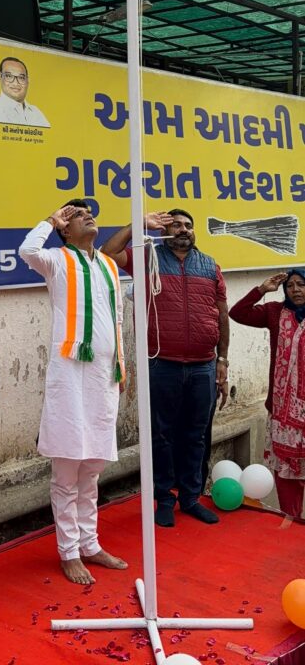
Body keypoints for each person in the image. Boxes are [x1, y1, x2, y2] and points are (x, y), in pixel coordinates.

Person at [19, 199, 128, 585]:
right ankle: (68, 551)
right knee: (67, 470)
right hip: (70, 377)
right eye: (78, 215)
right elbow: (26, 250)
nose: (89, 217)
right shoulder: (56, 260)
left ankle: (90, 543)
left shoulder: (109, 265)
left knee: (92, 471)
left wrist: (121, 364)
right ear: (65, 229)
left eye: (89, 213)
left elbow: (116, 318)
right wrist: (50, 221)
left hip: (103, 378)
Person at [103, 209, 229, 527]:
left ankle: (190, 498)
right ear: (163, 231)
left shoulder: (210, 265)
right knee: (161, 436)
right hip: (161, 364)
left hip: (203, 366)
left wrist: (223, 359)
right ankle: (164, 498)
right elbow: (108, 252)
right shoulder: (147, 258)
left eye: (188, 225)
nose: (183, 229)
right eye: (175, 225)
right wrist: (137, 225)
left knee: (196, 436)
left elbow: (221, 314)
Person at [230, 269, 305, 519]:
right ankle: (290, 523)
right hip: (283, 415)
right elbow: (238, 313)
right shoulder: (275, 312)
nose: (296, 290)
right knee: (286, 474)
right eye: (291, 285)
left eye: (301, 284)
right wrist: (262, 290)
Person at [0, 56, 50, 127]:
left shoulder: (35, 111)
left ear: (27, 80)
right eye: (9, 76)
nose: (15, 83)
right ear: (0, 77)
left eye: (21, 78)